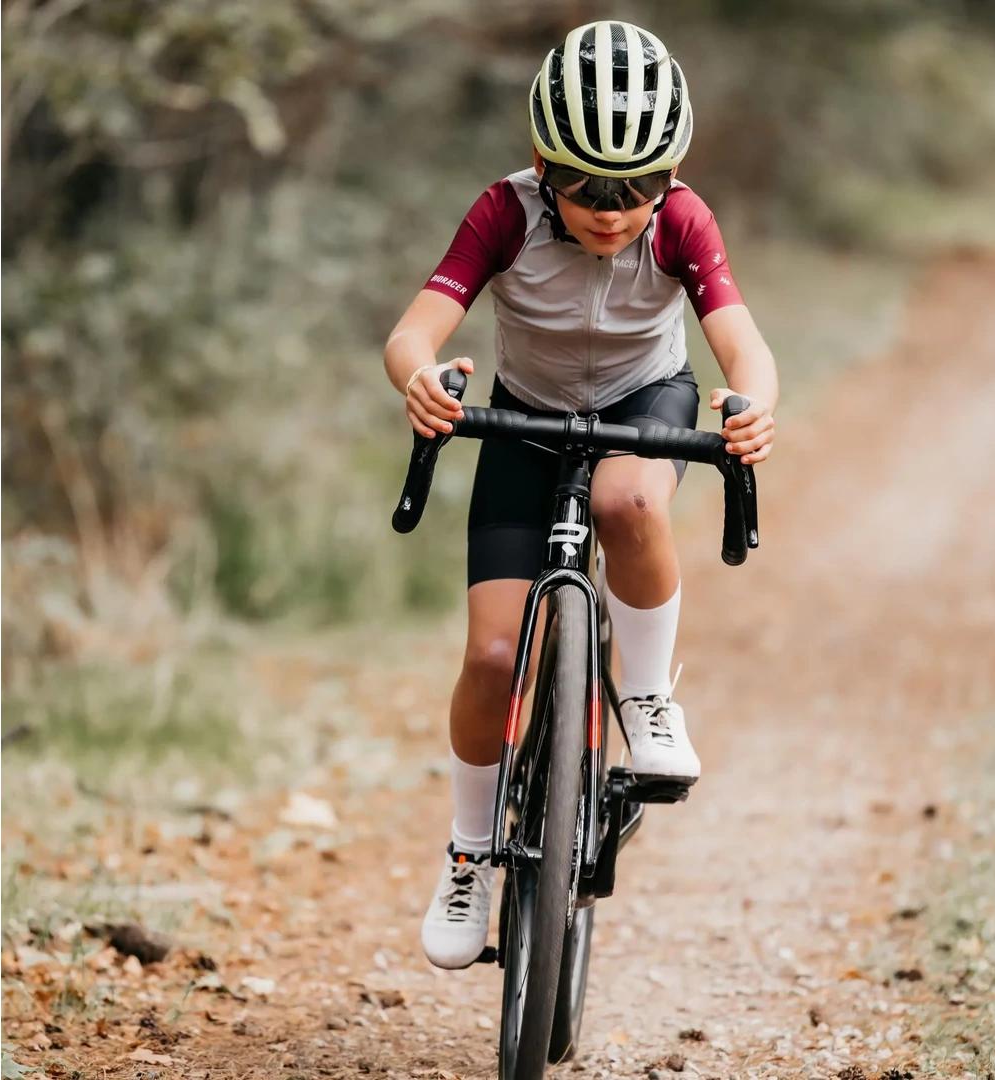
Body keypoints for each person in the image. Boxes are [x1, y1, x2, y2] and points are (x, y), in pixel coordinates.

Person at [381, 20, 780, 970]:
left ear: (670, 177)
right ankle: (469, 854)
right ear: (541, 166)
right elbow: (411, 334)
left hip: (648, 399)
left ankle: (645, 699)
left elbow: (743, 343)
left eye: (639, 187)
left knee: (628, 504)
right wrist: (421, 379)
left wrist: (753, 405)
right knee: (491, 656)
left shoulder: (682, 220)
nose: (614, 209)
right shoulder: (504, 212)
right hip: (525, 415)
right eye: (587, 186)